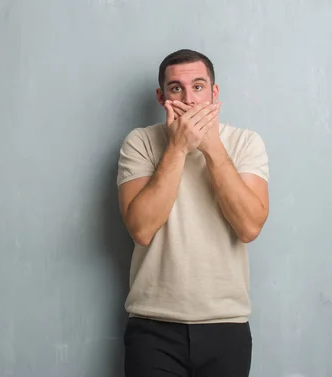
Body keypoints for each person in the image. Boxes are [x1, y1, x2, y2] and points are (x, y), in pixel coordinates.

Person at [116, 49, 270, 377]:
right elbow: (141, 229)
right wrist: (178, 147)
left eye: (198, 87)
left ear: (214, 93)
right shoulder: (140, 142)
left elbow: (249, 227)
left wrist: (211, 146)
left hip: (226, 324)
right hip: (153, 325)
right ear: (162, 97)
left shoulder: (245, 142)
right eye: (176, 89)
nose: (189, 99)